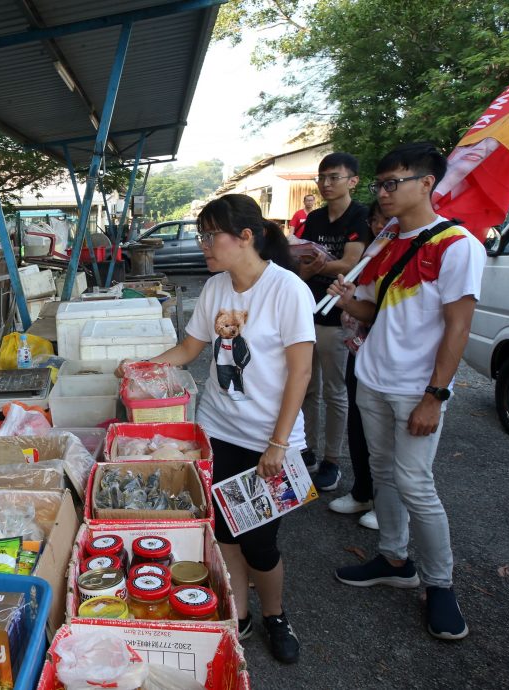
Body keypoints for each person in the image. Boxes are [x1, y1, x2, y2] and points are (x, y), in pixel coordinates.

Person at [119, 194, 314, 663]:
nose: (203, 244)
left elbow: (301, 373)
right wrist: (138, 368)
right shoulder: (216, 287)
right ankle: (239, 612)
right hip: (217, 430)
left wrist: (278, 443)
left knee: (261, 541)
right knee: (224, 530)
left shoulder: (286, 290)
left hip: (271, 440)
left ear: (245, 237)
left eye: (210, 235)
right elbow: (189, 349)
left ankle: (275, 614)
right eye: (203, 235)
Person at [328, 142, 485, 641]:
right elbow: (377, 314)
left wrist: (435, 395)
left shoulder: (457, 245)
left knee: (417, 484)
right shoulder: (387, 242)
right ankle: (395, 559)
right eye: (381, 184)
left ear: (427, 183)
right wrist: (350, 302)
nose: (384, 193)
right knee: (380, 473)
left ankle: (440, 583)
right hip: (373, 377)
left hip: (417, 389)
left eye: (394, 182)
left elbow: (457, 327)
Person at [296, 153, 371, 492]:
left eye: (334, 177)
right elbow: (302, 259)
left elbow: (350, 263)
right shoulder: (313, 218)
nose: (326, 184)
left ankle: (332, 459)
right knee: (307, 386)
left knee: (335, 391)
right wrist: (314, 267)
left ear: (352, 180)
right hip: (306, 312)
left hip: (337, 317)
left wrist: (316, 267)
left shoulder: (361, 215)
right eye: (321, 177)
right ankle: (308, 450)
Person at [328, 200, 388, 530]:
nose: (380, 226)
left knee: (387, 443)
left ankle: (387, 506)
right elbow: (364, 307)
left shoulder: (420, 251)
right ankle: (363, 490)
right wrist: (349, 301)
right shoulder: (374, 254)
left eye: (385, 220)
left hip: (392, 363)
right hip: (360, 349)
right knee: (359, 423)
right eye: (376, 221)